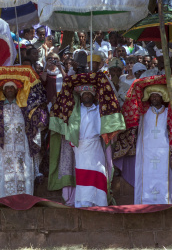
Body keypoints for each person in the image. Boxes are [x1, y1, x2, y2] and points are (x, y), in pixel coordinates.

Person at [48, 73, 125, 207]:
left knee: (98, 172)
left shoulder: (99, 111)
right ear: (81, 97)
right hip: (80, 147)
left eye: (89, 94)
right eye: (84, 94)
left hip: (95, 146)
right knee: (83, 175)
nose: (87, 96)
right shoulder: (74, 112)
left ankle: (100, 202)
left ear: (94, 95)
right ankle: (83, 203)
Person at [0, 66, 49, 198]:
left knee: (23, 172)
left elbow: (35, 121)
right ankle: (5, 199)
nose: (9, 90)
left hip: (22, 149)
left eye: (12, 88)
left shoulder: (24, 108)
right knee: (4, 173)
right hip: (3, 149)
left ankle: (24, 197)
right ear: (3, 91)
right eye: (7, 88)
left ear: (17, 90)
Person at [134, 85, 171, 204]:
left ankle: (165, 202)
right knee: (146, 175)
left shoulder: (168, 113)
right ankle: (145, 202)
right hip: (147, 151)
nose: (154, 98)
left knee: (163, 175)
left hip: (163, 151)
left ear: (162, 98)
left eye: (157, 96)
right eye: (152, 96)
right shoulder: (144, 113)